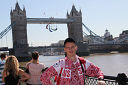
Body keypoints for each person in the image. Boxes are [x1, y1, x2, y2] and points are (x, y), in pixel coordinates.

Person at [40, 38, 106, 85]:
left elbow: (97, 71)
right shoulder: (60, 64)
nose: (70, 49)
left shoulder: (83, 63)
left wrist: (100, 80)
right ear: (65, 49)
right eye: (68, 48)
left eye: (72, 47)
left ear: (76, 48)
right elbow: (44, 76)